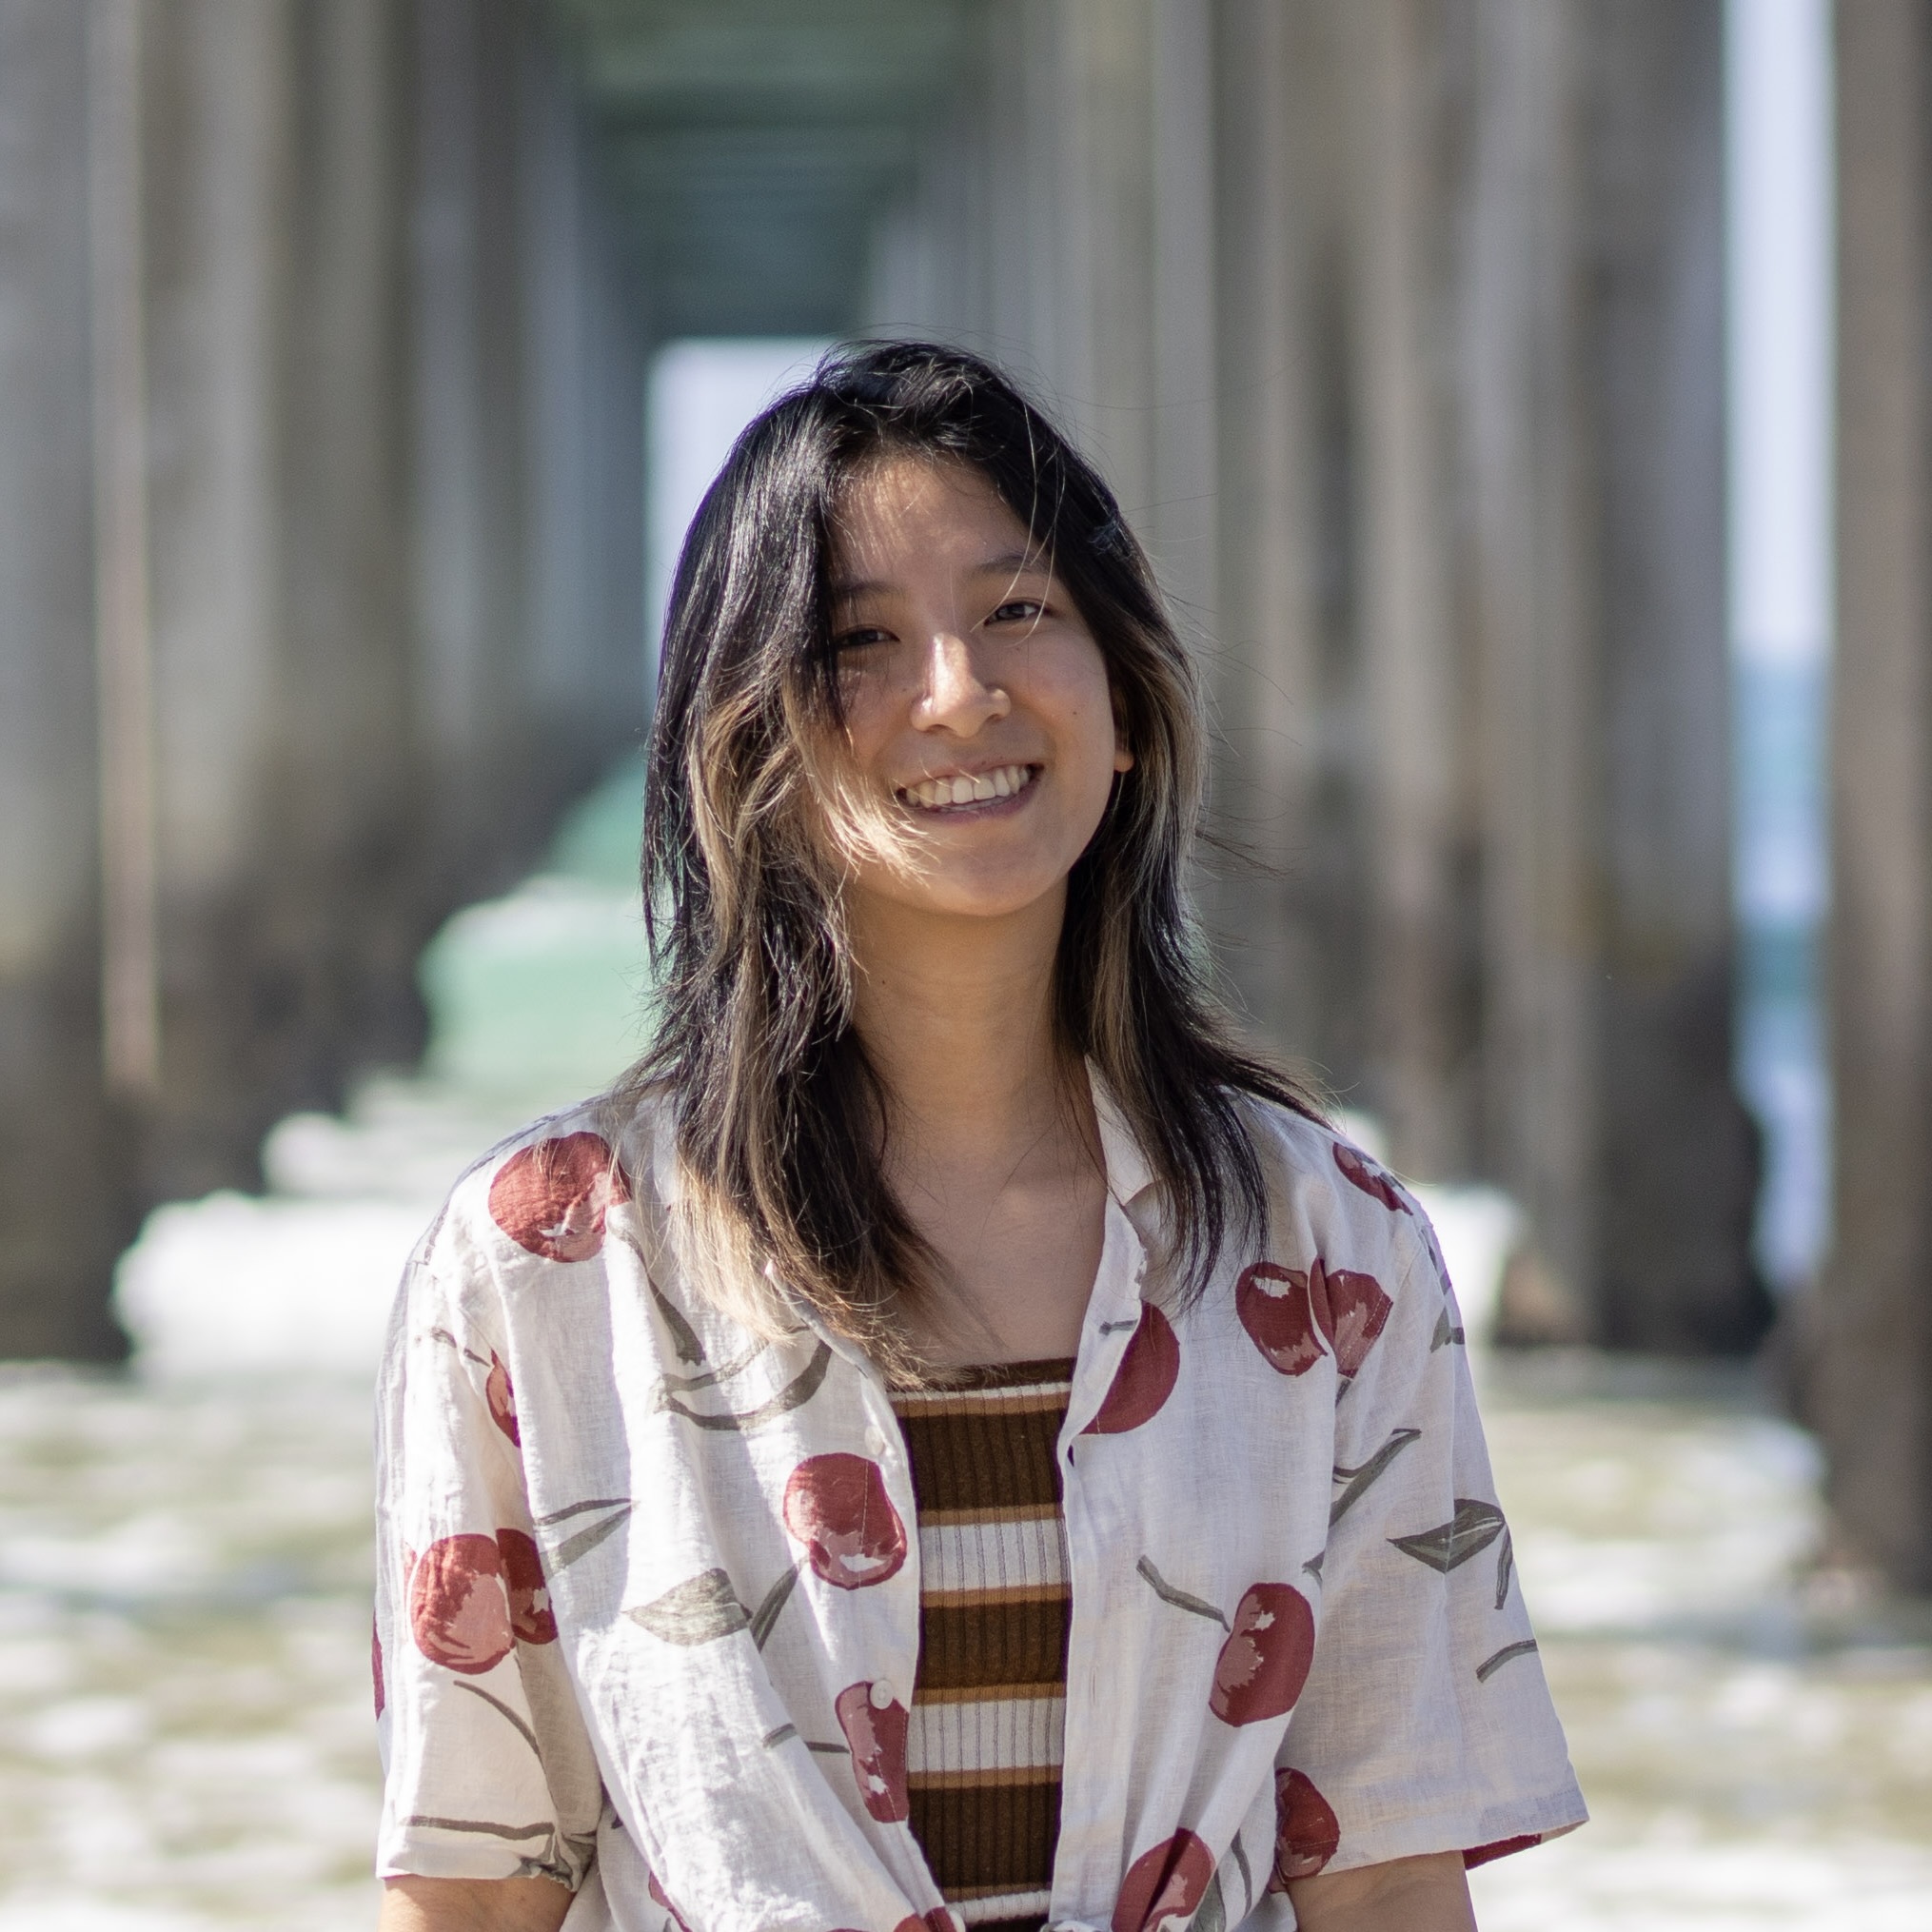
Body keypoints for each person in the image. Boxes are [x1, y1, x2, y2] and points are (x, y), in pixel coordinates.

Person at [372, 342, 1585, 1932]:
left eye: (1018, 611)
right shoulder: (547, 1257)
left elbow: (1389, 1874)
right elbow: (471, 1890)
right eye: (859, 641)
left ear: (1128, 698)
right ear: (750, 753)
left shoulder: (1324, 1245)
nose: (958, 692)